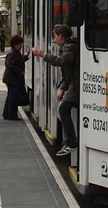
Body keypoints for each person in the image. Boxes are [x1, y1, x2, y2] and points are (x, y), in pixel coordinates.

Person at [32, 24, 79, 158]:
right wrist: (63, 88)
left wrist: (43, 55)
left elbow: (62, 62)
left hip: (75, 85)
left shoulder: (69, 47)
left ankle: (71, 143)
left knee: (63, 109)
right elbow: (68, 72)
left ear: (61, 36)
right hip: (71, 84)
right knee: (63, 110)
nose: (54, 39)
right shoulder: (68, 46)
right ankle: (68, 142)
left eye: (55, 36)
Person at [2, 34, 28, 121]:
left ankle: (7, 113)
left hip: (10, 78)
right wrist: (20, 71)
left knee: (10, 95)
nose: (21, 46)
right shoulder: (13, 53)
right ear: (15, 44)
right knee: (13, 96)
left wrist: (26, 56)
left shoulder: (14, 52)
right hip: (12, 78)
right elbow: (10, 64)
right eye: (19, 44)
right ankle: (12, 114)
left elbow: (18, 62)